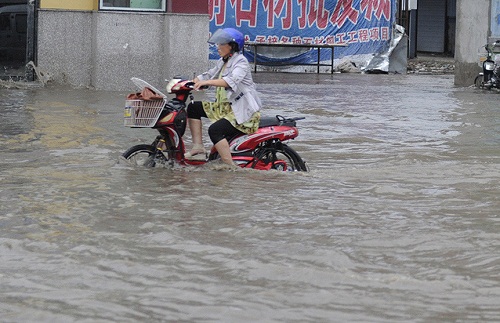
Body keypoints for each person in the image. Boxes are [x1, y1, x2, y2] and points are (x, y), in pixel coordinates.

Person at [185, 28, 261, 166]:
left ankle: (230, 167)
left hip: (241, 113)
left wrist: (206, 82)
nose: (218, 47)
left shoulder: (241, 62)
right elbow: (209, 75)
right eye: (218, 44)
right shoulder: (223, 61)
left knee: (215, 130)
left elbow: (230, 81)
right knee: (192, 107)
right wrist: (190, 82)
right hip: (224, 108)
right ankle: (198, 148)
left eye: (221, 44)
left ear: (232, 46)